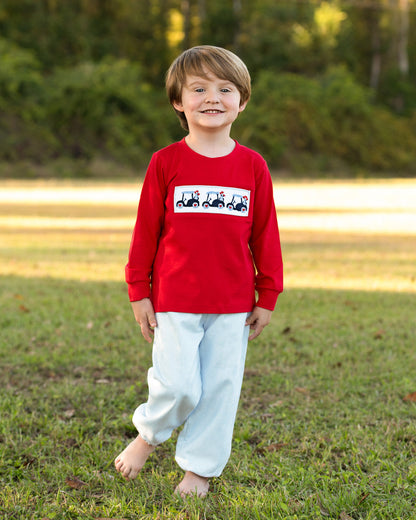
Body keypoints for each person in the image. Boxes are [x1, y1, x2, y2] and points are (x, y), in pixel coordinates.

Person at [114, 45, 283, 498]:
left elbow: (265, 235)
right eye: (200, 88)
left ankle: (199, 471)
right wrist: (139, 291)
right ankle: (148, 435)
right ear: (178, 100)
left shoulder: (252, 166)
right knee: (180, 384)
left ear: (242, 101)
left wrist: (267, 296)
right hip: (174, 300)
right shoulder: (165, 163)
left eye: (225, 88)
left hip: (232, 304)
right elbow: (145, 232)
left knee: (220, 390)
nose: (213, 97)